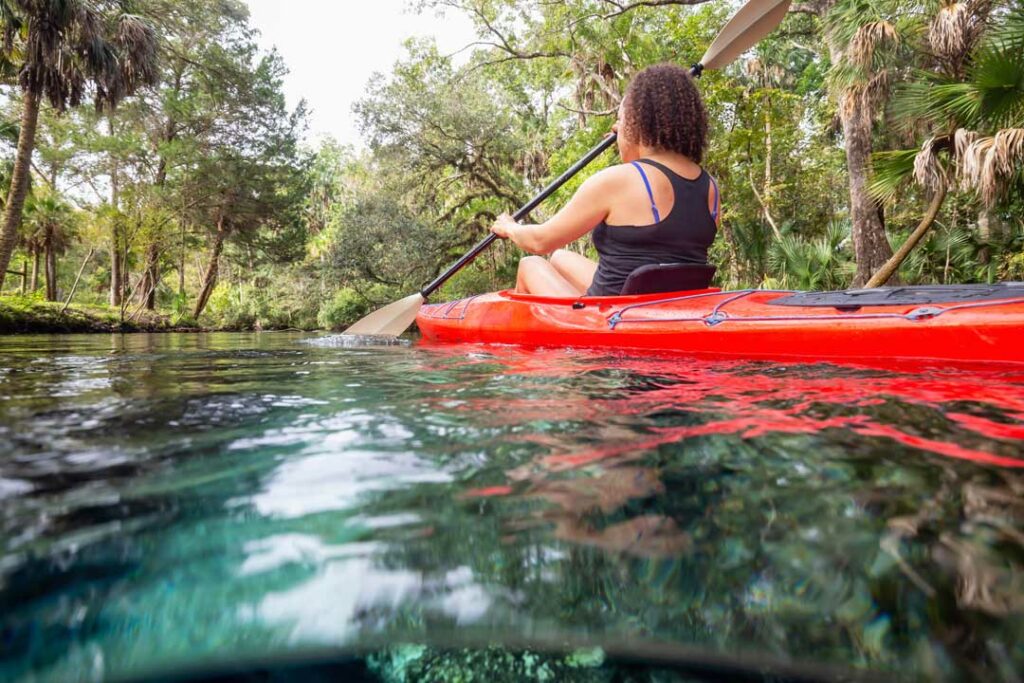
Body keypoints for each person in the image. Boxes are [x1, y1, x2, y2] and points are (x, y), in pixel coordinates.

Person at [490, 63, 720, 297]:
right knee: (560, 257)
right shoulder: (710, 186)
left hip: (611, 318)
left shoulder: (617, 181)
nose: (614, 127)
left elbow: (539, 241)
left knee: (531, 264)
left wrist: (510, 227)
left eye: (620, 119)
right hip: (660, 306)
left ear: (641, 123)